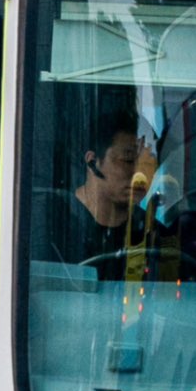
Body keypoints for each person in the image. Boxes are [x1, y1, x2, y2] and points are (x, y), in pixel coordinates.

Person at [39, 104, 141, 269]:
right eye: (128, 160)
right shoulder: (53, 227)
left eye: (142, 163)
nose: (138, 173)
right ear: (93, 161)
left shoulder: (148, 231)